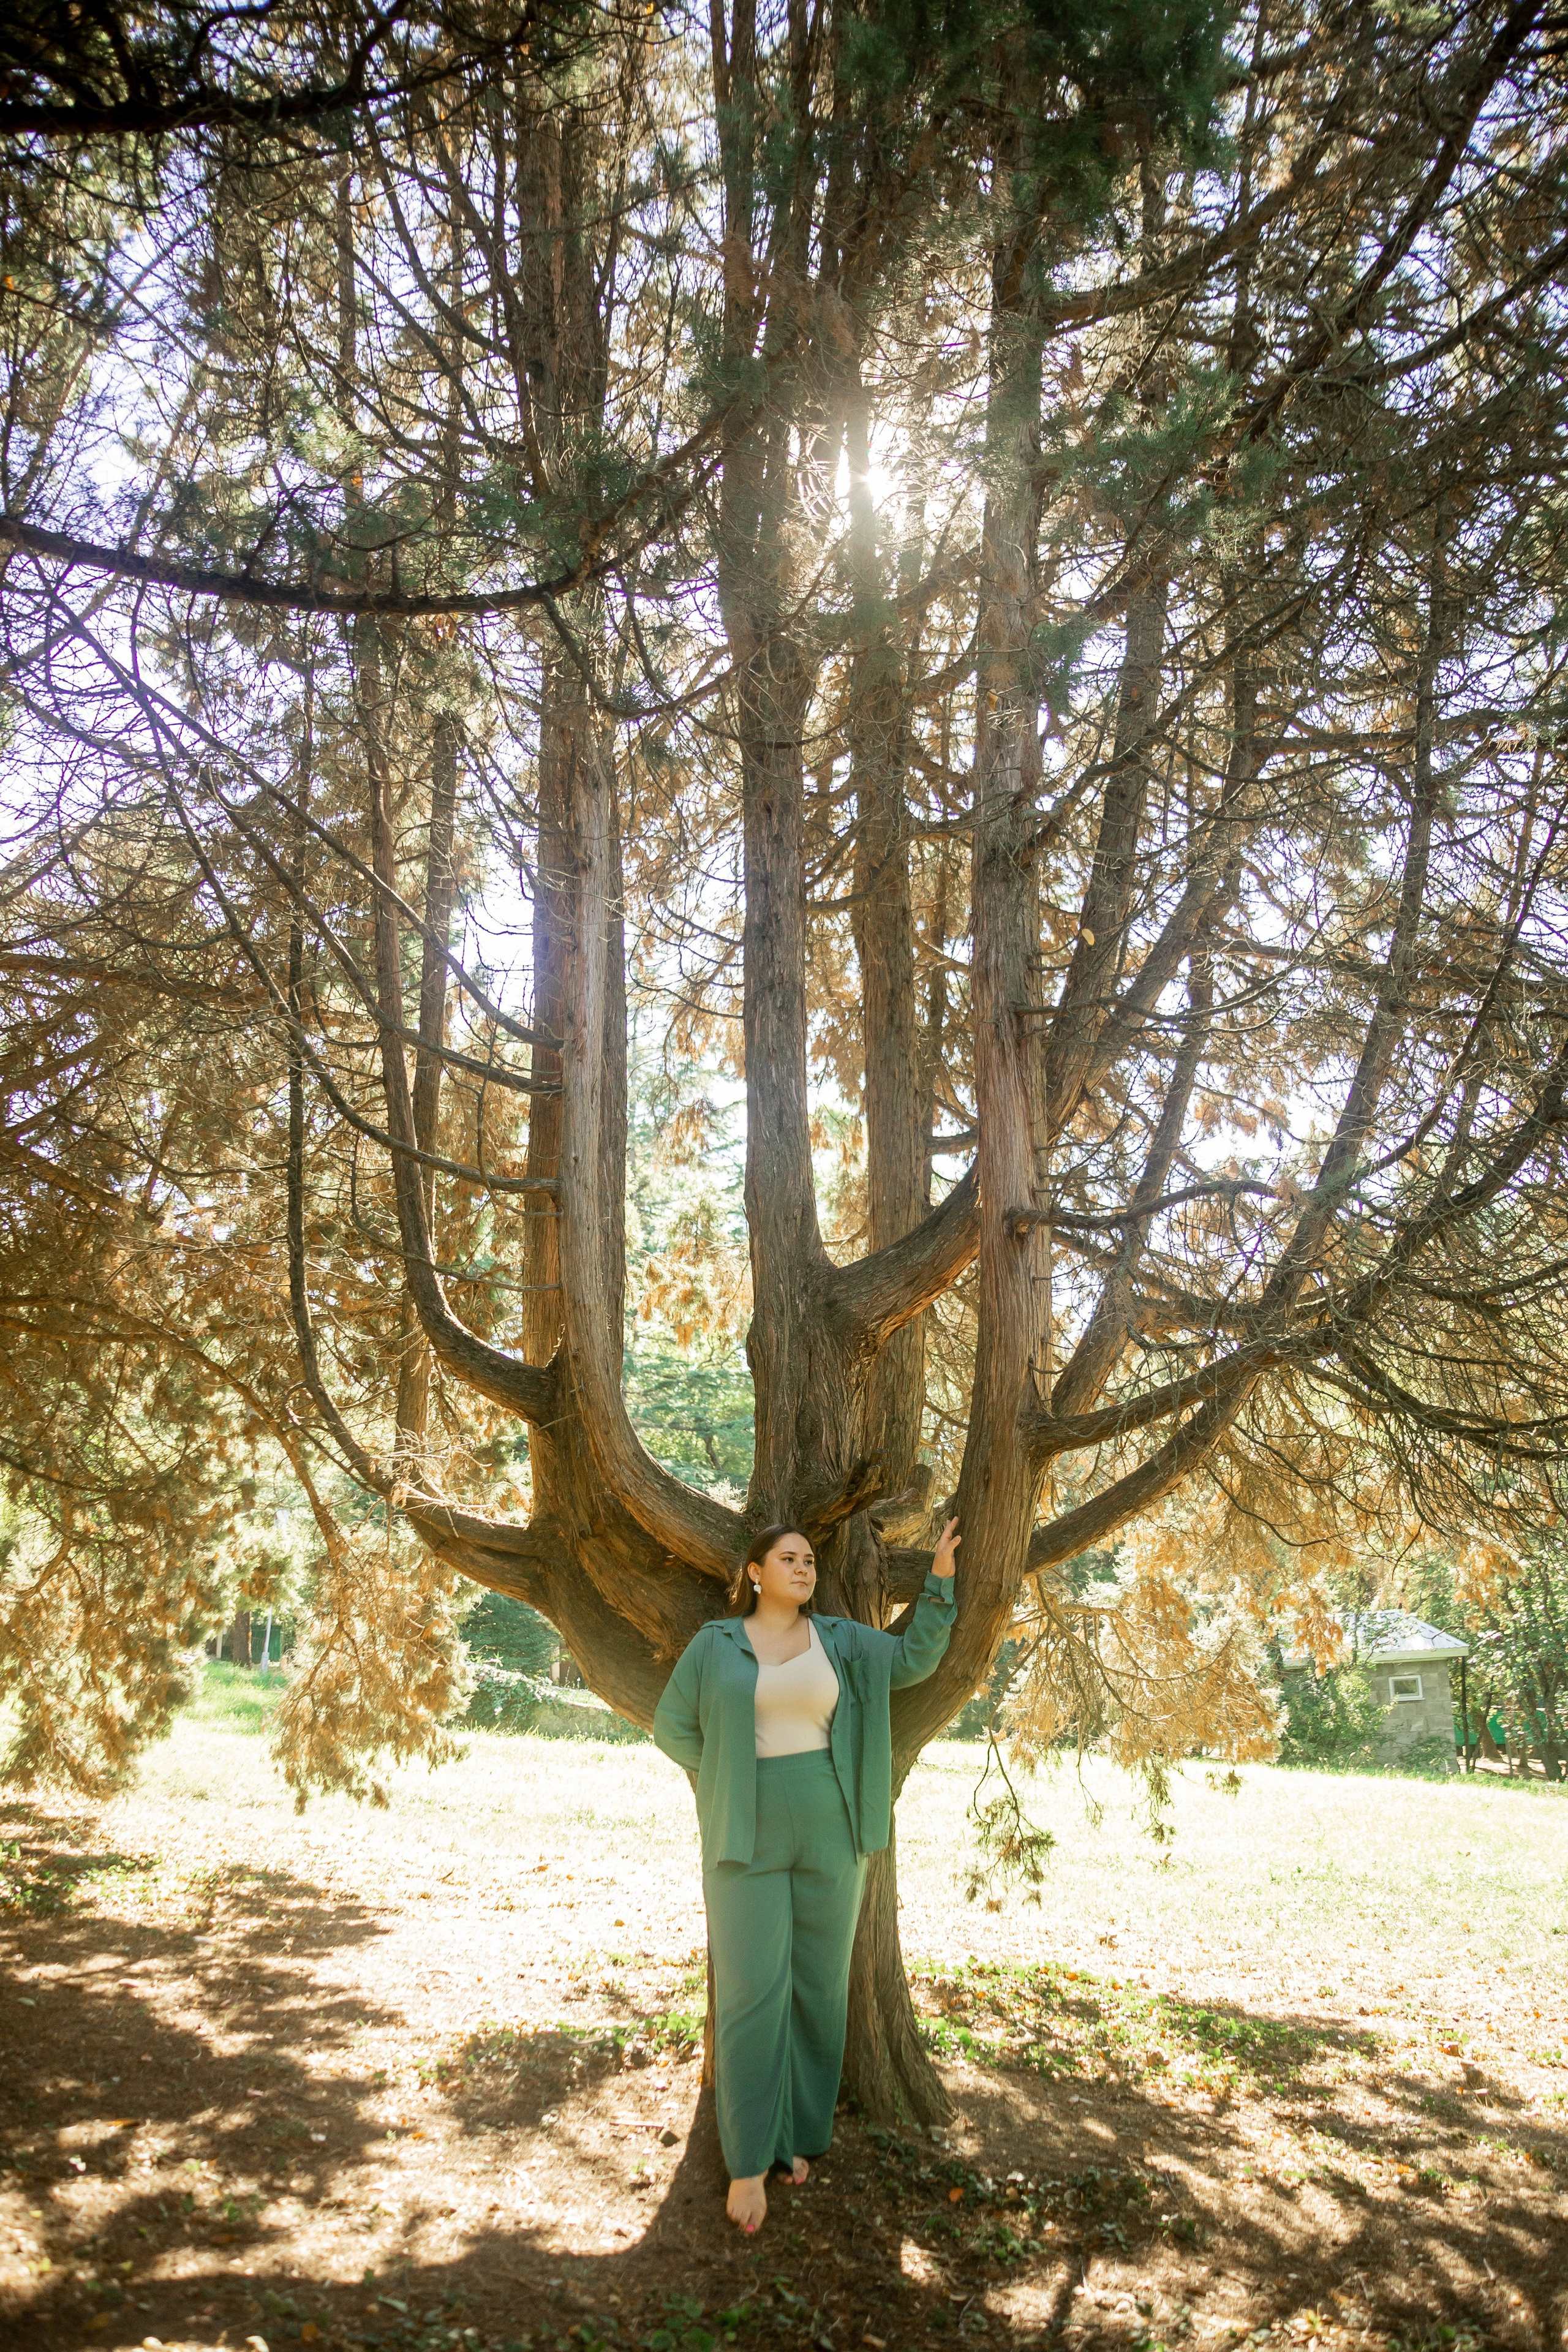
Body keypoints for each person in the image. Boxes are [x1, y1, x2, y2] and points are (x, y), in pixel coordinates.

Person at [653, 1515, 962, 2234]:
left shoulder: (841, 1640)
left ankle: (797, 2136)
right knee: (750, 1994)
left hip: (832, 1828)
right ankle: (747, 2162)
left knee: (818, 1987)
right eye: (788, 1558)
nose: (803, 1569)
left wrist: (940, 1583)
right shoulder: (716, 1644)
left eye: (810, 1561)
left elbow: (913, 1659)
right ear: (755, 1572)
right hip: (744, 1834)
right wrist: (727, 1776)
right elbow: (672, 1727)